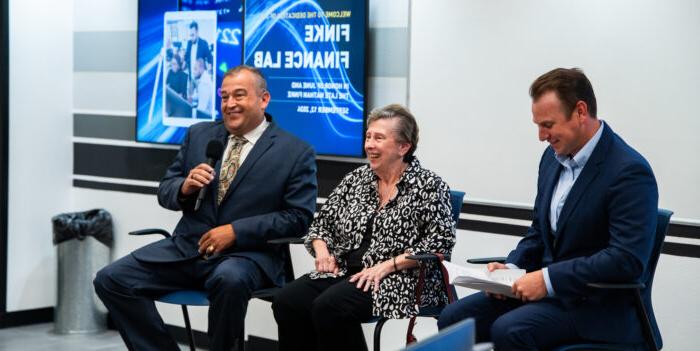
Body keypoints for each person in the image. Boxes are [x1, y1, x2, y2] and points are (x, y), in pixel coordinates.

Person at [93, 65, 318, 351]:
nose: (230, 104)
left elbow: (298, 218)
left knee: (230, 279)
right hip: (187, 249)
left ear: (263, 100)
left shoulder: (295, 151)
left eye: (239, 95)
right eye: (224, 97)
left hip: (246, 256)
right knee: (111, 279)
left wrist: (236, 231)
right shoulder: (199, 135)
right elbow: (166, 190)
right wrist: (184, 188)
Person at [437, 68, 660, 350]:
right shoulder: (552, 159)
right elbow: (539, 233)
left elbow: (626, 260)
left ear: (580, 111)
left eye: (548, 124)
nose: (541, 136)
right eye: (537, 125)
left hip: (597, 306)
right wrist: (512, 267)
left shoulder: (628, 172)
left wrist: (547, 279)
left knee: (511, 330)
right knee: (453, 317)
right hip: (552, 295)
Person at [272, 104, 456, 351]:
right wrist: (323, 252)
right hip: (347, 272)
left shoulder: (429, 186)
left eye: (379, 138)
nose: (369, 144)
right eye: (368, 136)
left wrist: (386, 266)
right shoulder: (356, 179)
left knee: (330, 306)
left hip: (401, 279)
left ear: (404, 147)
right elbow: (321, 223)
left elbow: (440, 244)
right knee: (288, 300)